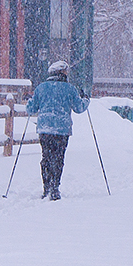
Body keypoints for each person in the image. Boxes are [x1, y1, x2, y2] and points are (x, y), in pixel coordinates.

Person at [26, 60, 90, 199]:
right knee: (58, 158)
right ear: (63, 73)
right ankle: (55, 187)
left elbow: (31, 109)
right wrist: (86, 99)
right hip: (62, 129)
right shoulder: (70, 89)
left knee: (46, 157)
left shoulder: (41, 88)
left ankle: (46, 187)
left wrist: (30, 100)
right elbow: (79, 108)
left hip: (45, 128)